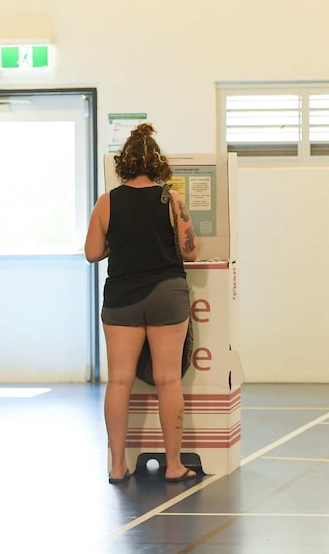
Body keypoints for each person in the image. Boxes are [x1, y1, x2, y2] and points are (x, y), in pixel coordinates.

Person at [85, 123, 199, 484]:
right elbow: (189, 250)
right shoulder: (171, 200)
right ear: (158, 162)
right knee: (168, 380)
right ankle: (175, 465)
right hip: (166, 293)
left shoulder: (108, 202)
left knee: (119, 381)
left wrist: (115, 246)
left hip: (121, 298)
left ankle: (118, 466)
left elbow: (91, 253)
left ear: (125, 163)